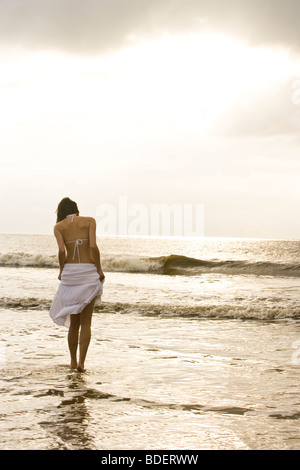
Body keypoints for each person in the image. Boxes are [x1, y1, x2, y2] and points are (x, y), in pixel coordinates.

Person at [49, 197, 105, 372]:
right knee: (86, 322)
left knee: (74, 323)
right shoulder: (89, 221)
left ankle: (72, 362)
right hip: (88, 272)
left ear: (60, 212)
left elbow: (61, 251)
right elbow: (94, 247)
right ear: (76, 209)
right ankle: (82, 363)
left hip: (71, 273)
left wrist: (61, 270)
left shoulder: (58, 227)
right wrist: (99, 269)